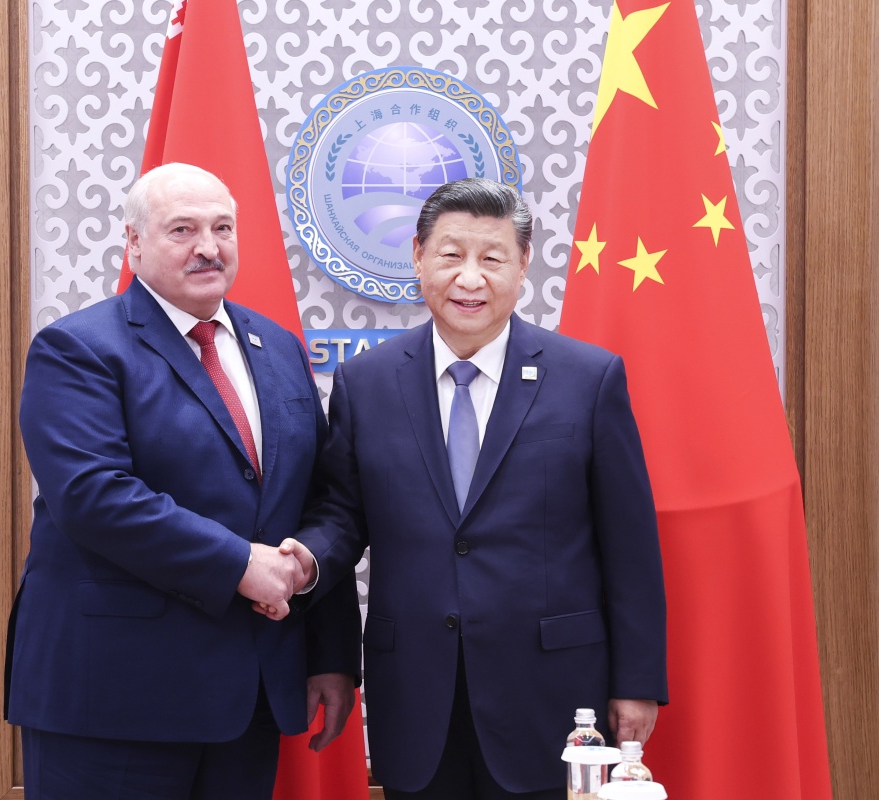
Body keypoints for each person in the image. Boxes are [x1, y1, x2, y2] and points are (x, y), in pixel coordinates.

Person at [278, 178, 668, 799]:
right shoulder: (366, 382)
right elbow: (342, 516)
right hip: (415, 692)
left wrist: (637, 681)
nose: (470, 278)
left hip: (553, 696)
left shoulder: (588, 379)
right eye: (451, 255)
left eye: (492, 258)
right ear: (417, 257)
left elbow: (630, 544)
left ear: (523, 264)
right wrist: (308, 563)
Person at [4, 162, 361, 800]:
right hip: (113, 700)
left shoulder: (278, 347)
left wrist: (328, 649)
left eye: (222, 228)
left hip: (249, 698)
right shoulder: (77, 349)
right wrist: (241, 565)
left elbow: (320, 497)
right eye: (182, 229)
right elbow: (95, 497)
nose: (208, 247)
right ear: (134, 243)